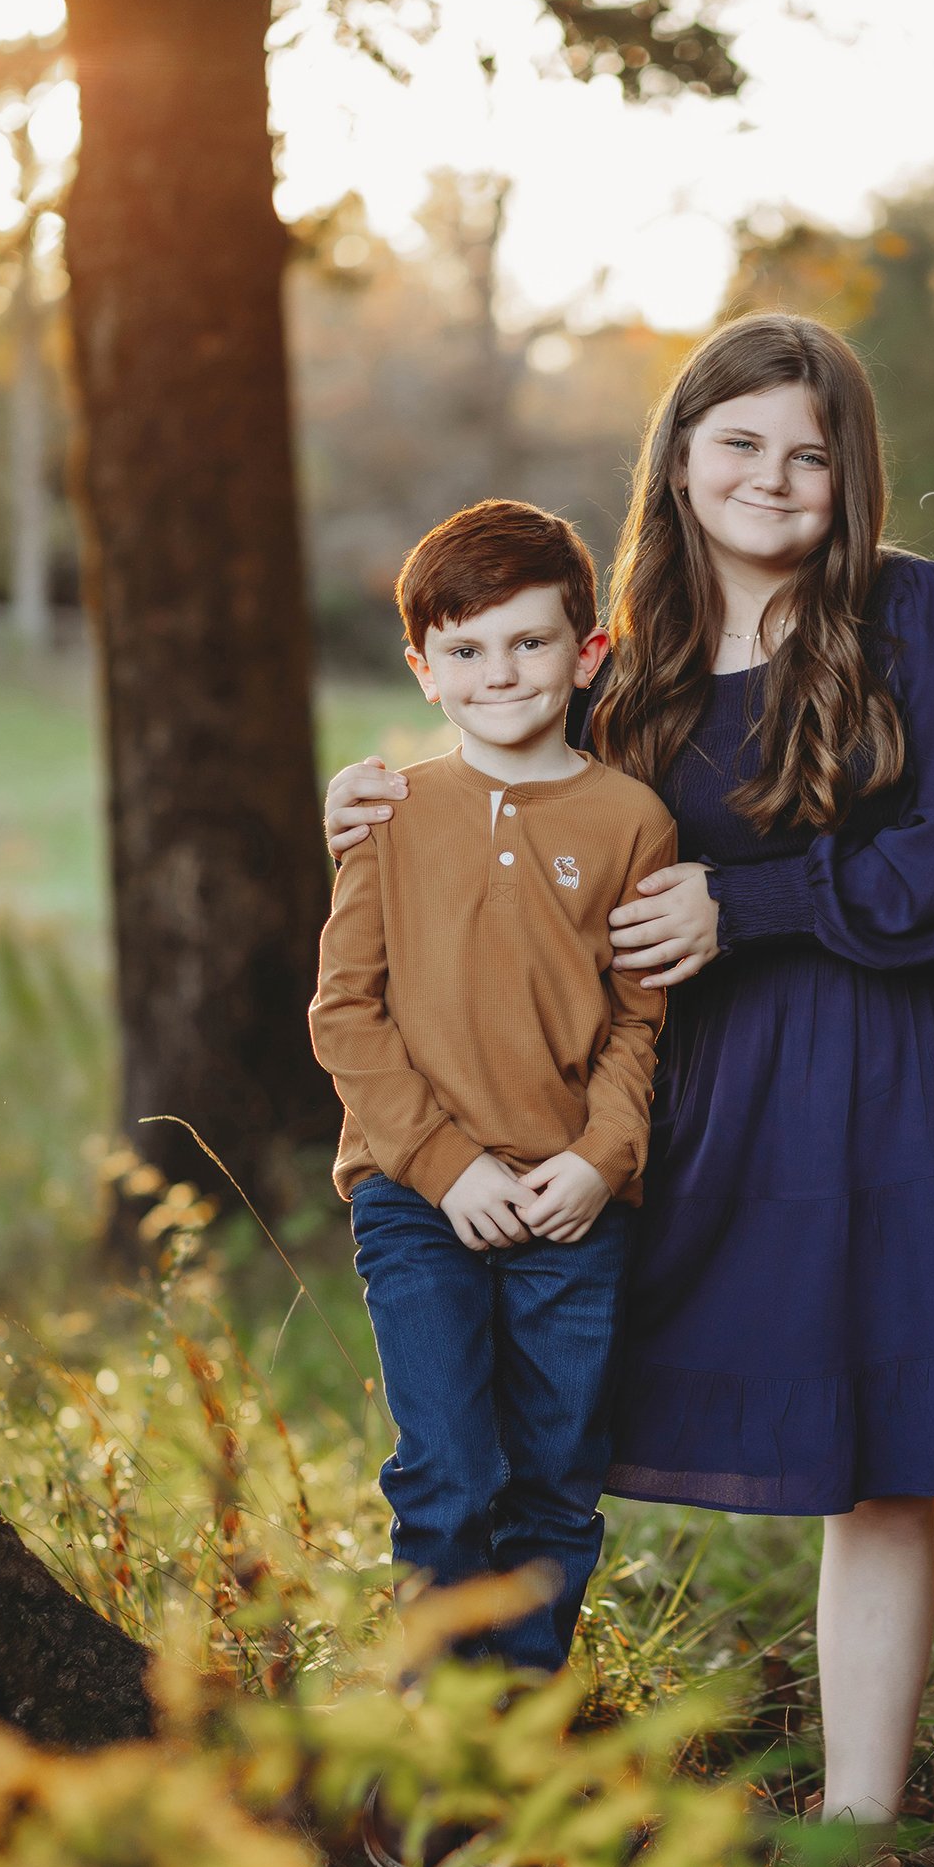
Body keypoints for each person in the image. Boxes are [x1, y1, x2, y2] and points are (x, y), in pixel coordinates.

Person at [322, 314, 934, 1867]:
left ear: (850, 477)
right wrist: (382, 799)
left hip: (907, 1066)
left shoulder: (913, 618)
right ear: (678, 455)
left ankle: (857, 1834)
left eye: (810, 451)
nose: (773, 476)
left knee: (879, 1451)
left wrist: (754, 902)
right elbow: (509, 764)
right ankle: (481, 1769)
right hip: (704, 1080)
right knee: (544, 1422)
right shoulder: (629, 664)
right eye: (738, 440)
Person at [308, 498, 678, 1692]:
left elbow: (638, 1019)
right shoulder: (391, 814)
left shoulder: (633, 821)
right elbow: (343, 1012)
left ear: (589, 654)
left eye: (528, 642)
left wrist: (603, 1156)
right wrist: (441, 1164)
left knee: (557, 1476)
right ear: (423, 669)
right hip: (418, 1199)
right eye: (465, 650)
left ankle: (518, 1731)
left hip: (573, 1204)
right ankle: (430, 1728)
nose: (499, 672)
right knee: (452, 1469)